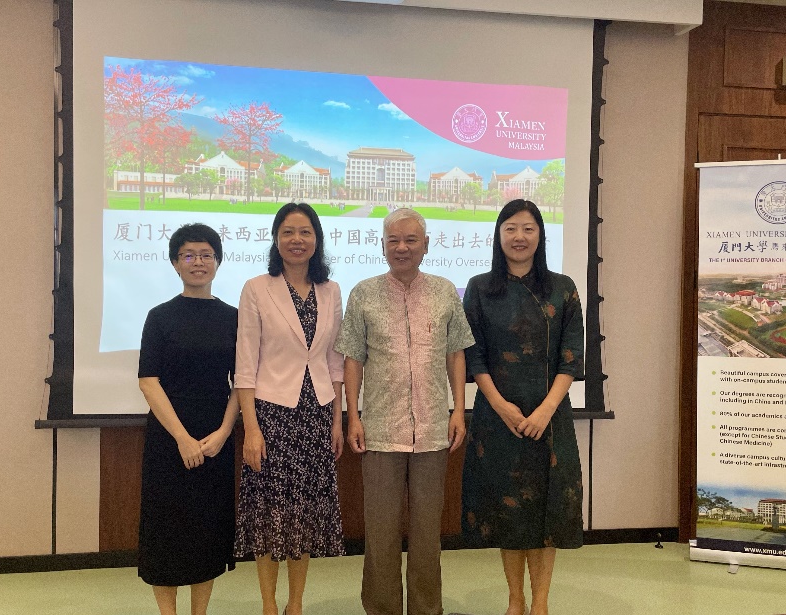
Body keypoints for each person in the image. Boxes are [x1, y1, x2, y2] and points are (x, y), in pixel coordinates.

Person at [335, 208, 474, 615]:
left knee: (428, 532)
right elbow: (353, 359)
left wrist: (458, 411)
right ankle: (382, 609)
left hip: (433, 430)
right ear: (382, 245)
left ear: (426, 245)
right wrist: (353, 416)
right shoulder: (363, 293)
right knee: (380, 532)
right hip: (380, 430)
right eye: (393, 240)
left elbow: (456, 353)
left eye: (411, 240)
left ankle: (427, 608)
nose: (402, 247)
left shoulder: (445, 292)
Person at [461, 199, 585, 615]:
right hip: (498, 418)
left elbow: (572, 356)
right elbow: (473, 356)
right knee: (509, 510)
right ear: (499, 235)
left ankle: (541, 604)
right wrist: (501, 406)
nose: (519, 237)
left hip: (550, 416)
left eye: (528, 228)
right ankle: (515, 600)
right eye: (510, 228)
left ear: (540, 236)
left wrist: (546, 409)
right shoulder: (480, 288)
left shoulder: (563, 288)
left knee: (547, 511)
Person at [234, 203, 345, 615]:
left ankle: (295, 604)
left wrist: (337, 421)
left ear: (317, 240)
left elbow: (335, 361)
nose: (297, 240)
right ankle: (269, 604)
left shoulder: (331, 291)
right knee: (269, 513)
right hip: (271, 416)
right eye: (288, 232)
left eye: (305, 232)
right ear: (276, 239)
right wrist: (251, 429)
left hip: (317, 414)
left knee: (305, 514)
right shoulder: (257, 288)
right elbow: (245, 365)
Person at [137, 223, 240, 615]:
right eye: (189, 255)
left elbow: (241, 382)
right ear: (175, 263)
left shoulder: (233, 317)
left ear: (218, 261)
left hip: (215, 435)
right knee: (165, 529)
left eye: (206, 255)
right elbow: (148, 381)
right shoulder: (159, 317)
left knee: (206, 530)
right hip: (168, 438)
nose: (199, 262)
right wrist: (182, 438)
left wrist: (224, 431)